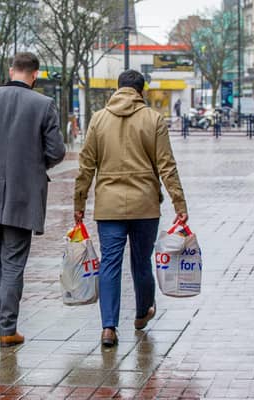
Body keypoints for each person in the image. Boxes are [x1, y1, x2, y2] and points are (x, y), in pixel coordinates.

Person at [73, 70, 188, 347]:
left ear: (118, 88)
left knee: (110, 263)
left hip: (109, 206)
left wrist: (79, 202)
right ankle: (141, 312)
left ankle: (108, 328)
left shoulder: (99, 119)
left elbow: (86, 165)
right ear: (141, 91)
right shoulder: (153, 119)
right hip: (145, 205)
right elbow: (166, 166)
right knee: (141, 261)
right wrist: (179, 203)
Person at [0, 52, 66, 347]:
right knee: (13, 262)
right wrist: (34, 165)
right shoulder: (43, 104)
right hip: (23, 195)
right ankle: (8, 329)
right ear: (35, 75)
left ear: (11, 70)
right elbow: (56, 151)